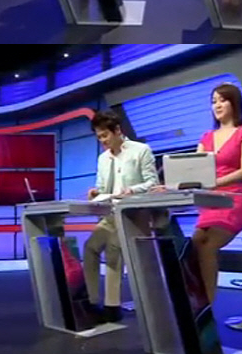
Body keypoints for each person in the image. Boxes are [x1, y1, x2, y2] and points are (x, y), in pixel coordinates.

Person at [83, 108, 159, 323]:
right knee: (90, 248)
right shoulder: (103, 158)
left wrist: (132, 190)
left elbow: (153, 183)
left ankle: (112, 306)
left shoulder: (141, 150)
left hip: (133, 215)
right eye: (99, 137)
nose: (103, 141)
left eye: (105, 135)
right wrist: (95, 192)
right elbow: (102, 188)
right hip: (110, 215)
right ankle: (91, 301)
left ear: (117, 130)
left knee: (113, 248)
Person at [192, 84, 242, 303]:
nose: (217, 105)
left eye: (222, 100)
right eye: (214, 101)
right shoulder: (206, 137)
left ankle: (207, 305)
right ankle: (196, 301)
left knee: (207, 245)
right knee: (196, 242)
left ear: (234, 103)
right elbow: (194, 171)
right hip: (210, 202)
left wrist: (215, 183)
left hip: (234, 200)